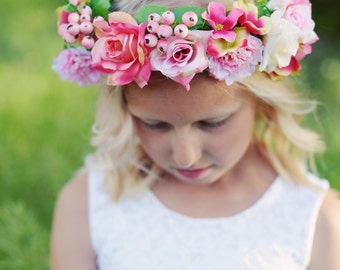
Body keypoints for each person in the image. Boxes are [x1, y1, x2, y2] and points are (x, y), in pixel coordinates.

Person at [51, 0, 340, 269]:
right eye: (155, 124)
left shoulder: (316, 220)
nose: (186, 156)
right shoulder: (88, 205)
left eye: (213, 123)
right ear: (123, 109)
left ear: (263, 102)